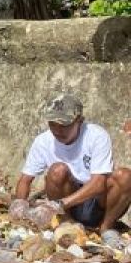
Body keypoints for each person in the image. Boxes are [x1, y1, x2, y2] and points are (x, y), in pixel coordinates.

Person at [11, 94, 131, 249]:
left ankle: (106, 228)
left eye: (64, 125)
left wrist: (59, 204)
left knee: (125, 176)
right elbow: (25, 180)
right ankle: (69, 224)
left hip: (95, 200)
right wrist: (20, 205)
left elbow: (99, 183)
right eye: (52, 124)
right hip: (68, 206)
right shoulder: (43, 141)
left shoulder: (96, 135)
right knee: (57, 170)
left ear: (79, 121)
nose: (57, 130)